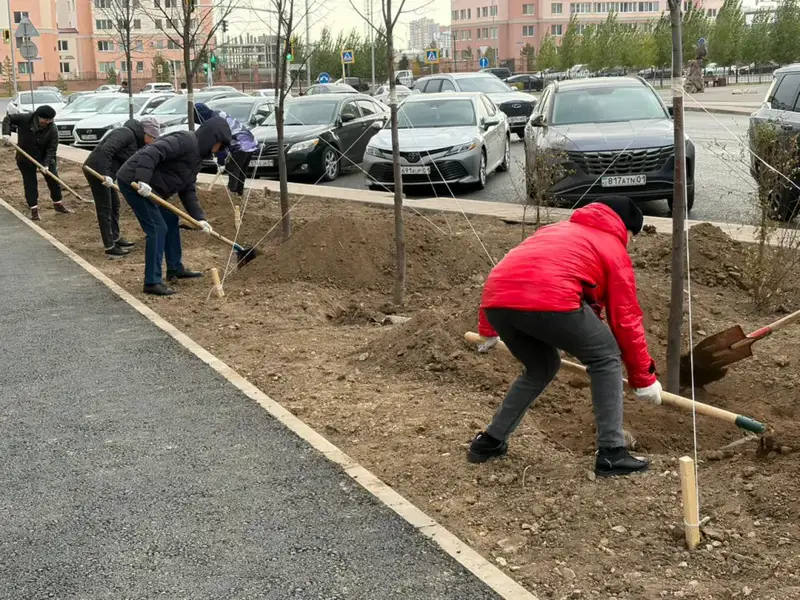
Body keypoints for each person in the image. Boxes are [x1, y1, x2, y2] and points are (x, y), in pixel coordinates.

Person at [469, 197, 662, 478]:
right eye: (632, 236)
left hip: (498, 304)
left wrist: (488, 328)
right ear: (625, 227)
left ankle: (489, 441)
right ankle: (611, 452)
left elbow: (508, 273)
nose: (630, 243)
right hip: (549, 299)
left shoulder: (553, 231)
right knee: (606, 356)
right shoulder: (611, 246)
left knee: (541, 367)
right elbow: (626, 318)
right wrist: (644, 379)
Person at [115, 115, 232, 296]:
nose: (217, 150)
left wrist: (200, 218)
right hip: (134, 182)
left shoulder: (196, 159)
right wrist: (142, 180)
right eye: (219, 145)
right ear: (212, 138)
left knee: (170, 219)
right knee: (157, 228)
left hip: (152, 188)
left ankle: (175, 269)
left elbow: (188, 190)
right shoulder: (184, 140)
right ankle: (152, 282)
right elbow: (150, 152)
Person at [83, 117, 162, 256]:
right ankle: (109, 246)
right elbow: (106, 150)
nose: (152, 141)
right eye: (152, 137)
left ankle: (115, 237)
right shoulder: (125, 133)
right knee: (105, 207)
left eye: (154, 138)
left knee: (115, 204)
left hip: (108, 174)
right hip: (96, 170)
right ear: (145, 133)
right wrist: (105, 174)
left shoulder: (138, 143)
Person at [1, 105, 71, 221]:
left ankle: (58, 203)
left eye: (50, 120)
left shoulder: (52, 129)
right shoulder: (25, 119)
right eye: (46, 120)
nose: (48, 122)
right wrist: (6, 133)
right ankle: (34, 209)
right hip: (25, 156)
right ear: (38, 117)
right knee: (30, 183)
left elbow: (52, 148)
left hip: (44, 157)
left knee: (53, 180)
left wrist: (46, 164)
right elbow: (8, 118)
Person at [194, 103, 258, 197]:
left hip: (241, 144)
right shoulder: (218, 113)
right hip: (251, 142)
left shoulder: (214, 121)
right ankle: (239, 193)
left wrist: (221, 162)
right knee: (241, 170)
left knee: (233, 169)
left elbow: (221, 140)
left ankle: (233, 193)